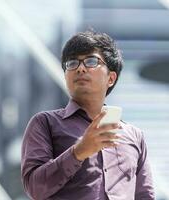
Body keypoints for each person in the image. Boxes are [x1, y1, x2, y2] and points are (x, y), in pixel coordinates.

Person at [21, 30, 155, 200]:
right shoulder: (45, 123)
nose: (80, 68)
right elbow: (34, 187)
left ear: (111, 78)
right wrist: (79, 151)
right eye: (72, 63)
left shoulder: (134, 136)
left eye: (91, 61)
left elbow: (145, 196)